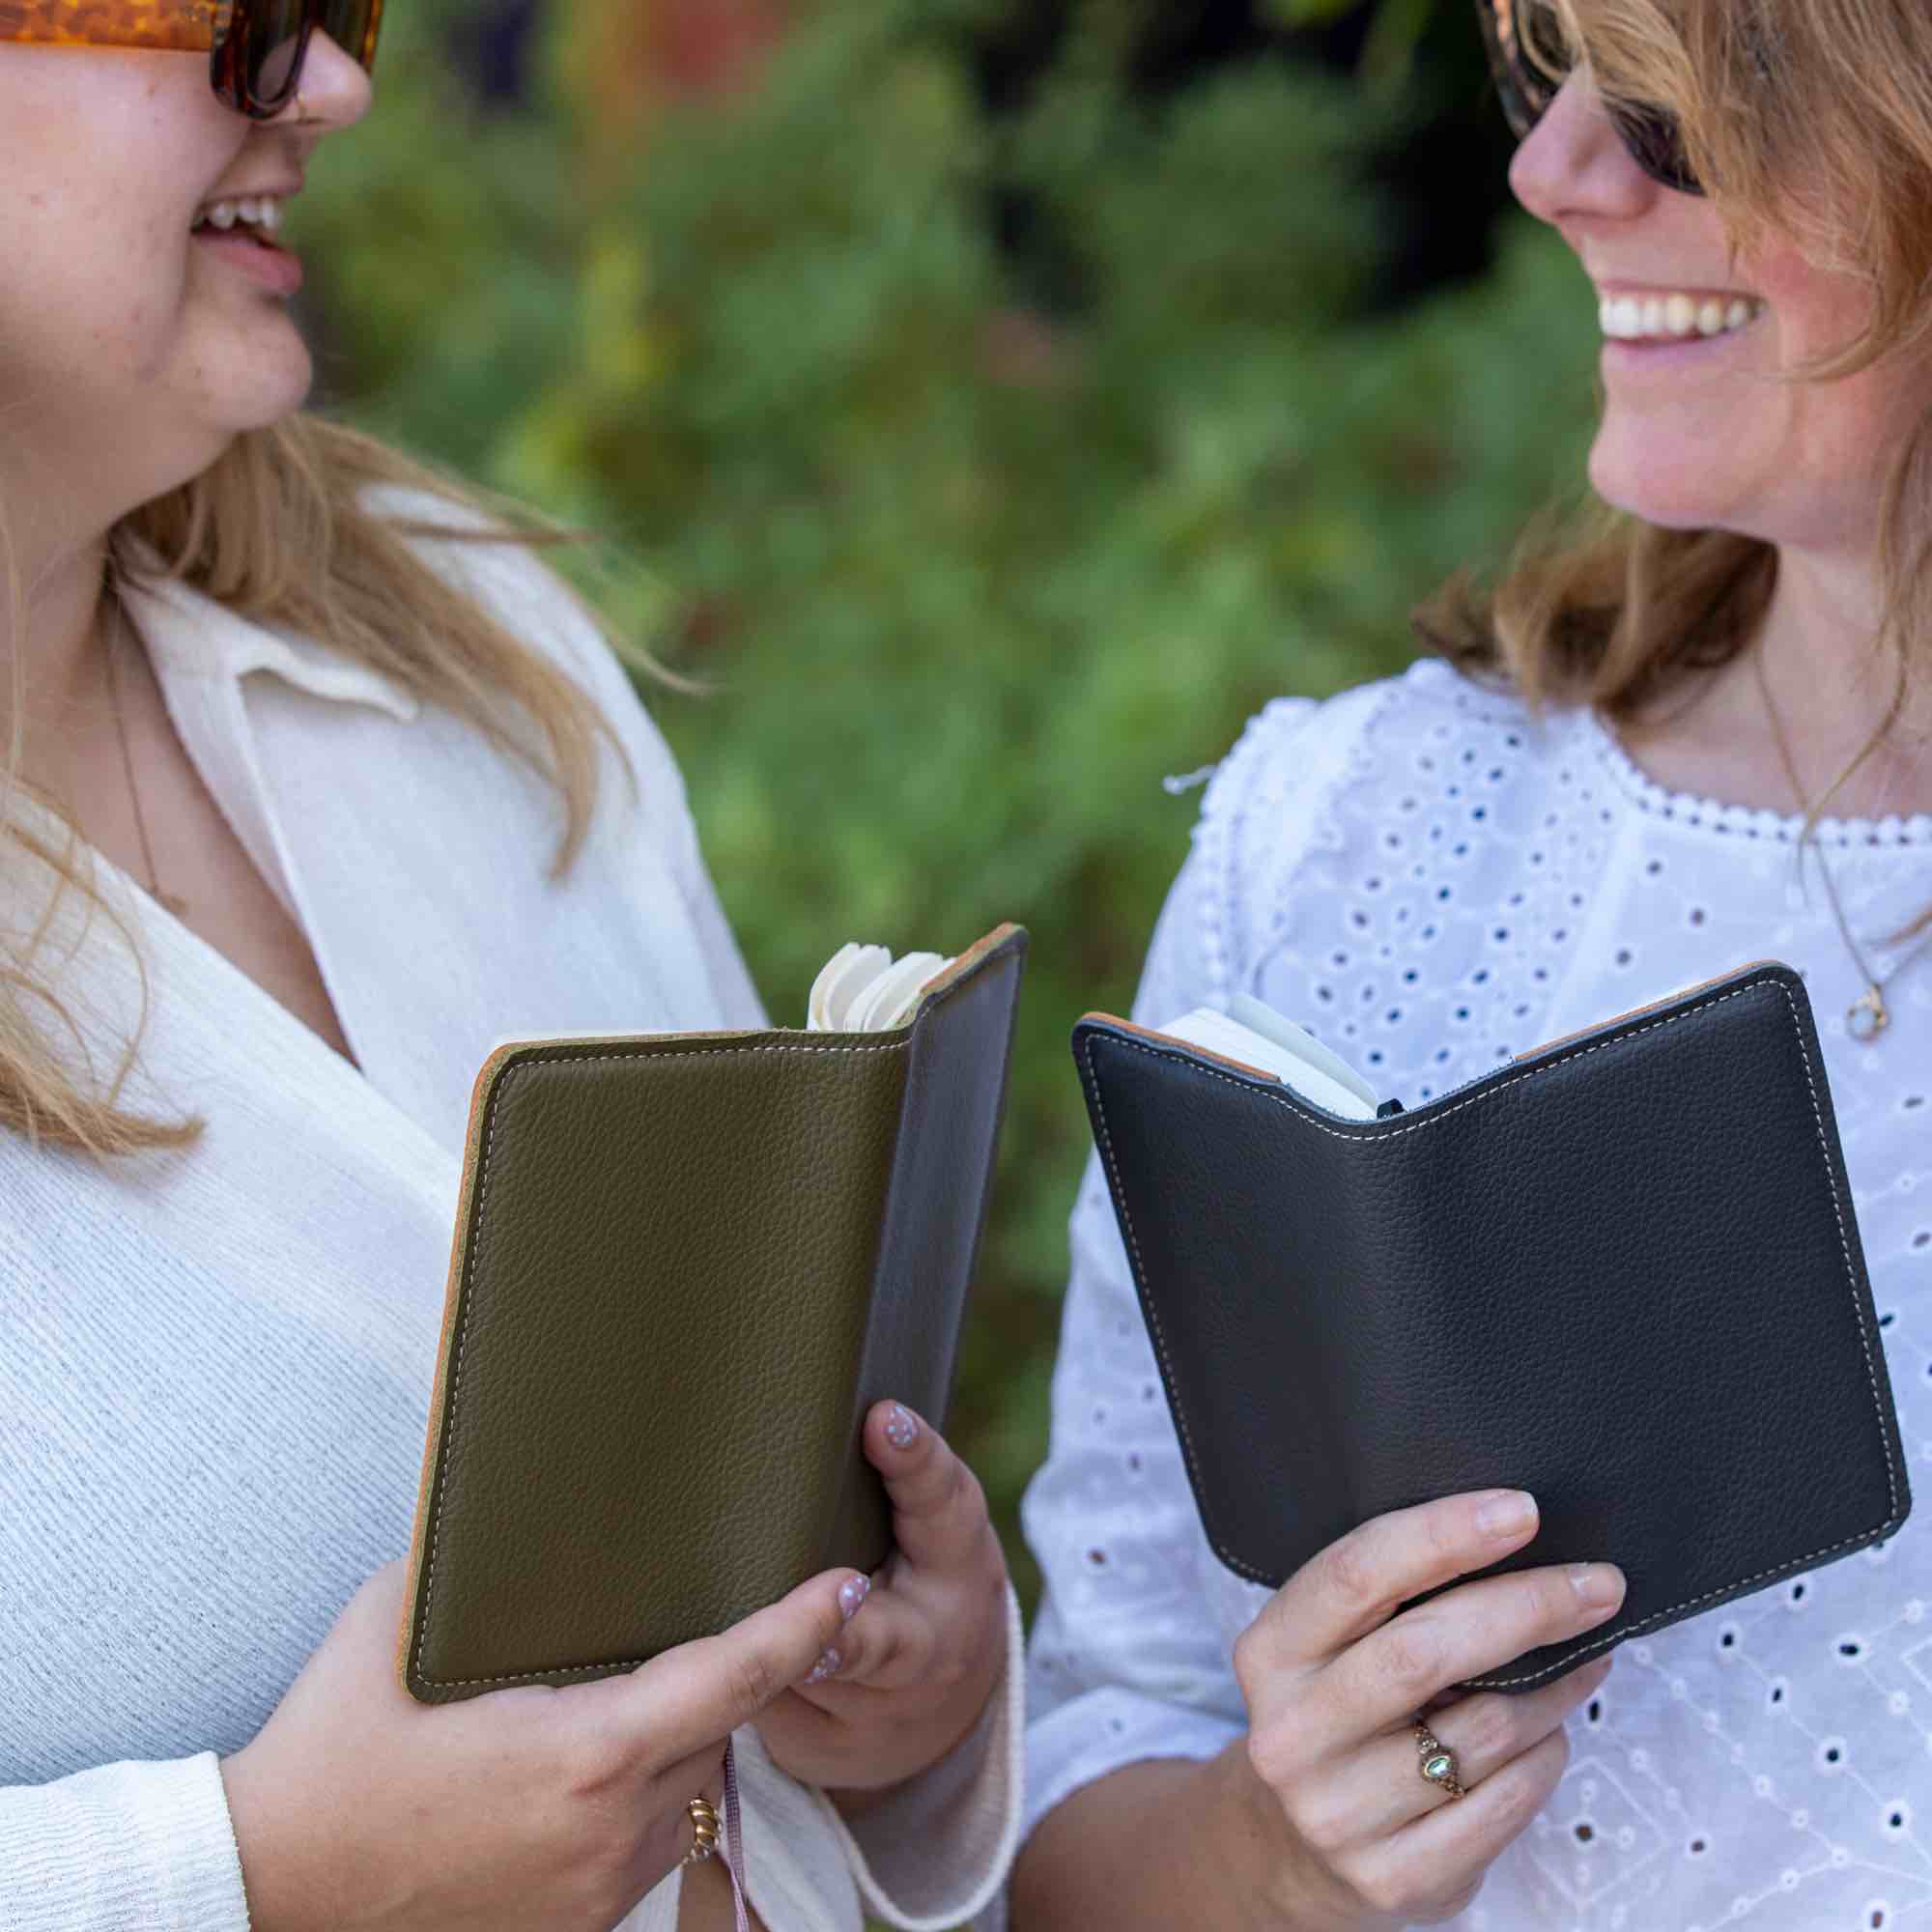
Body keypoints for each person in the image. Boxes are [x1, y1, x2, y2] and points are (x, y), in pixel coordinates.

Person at [0, 12, 1022, 1932]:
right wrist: (251, 1876)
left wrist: (907, 1714)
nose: (331, 80)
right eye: (219, 14)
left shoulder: (461, 636)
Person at [1009, 1, 1932, 1926]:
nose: (1548, 172)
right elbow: (1087, 1763)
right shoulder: (1360, 835)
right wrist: (1282, 1852)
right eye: (1547, 80)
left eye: (1678, 109)